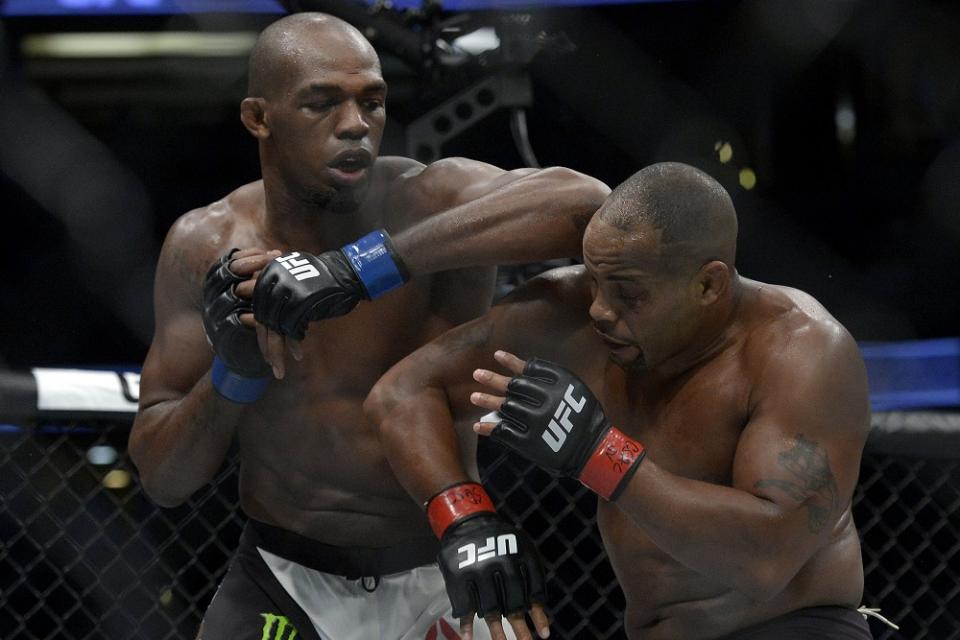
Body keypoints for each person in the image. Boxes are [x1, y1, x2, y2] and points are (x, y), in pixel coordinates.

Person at [127, 11, 609, 640]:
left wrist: (362, 268)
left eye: (372, 101)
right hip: (285, 577)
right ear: (258, 118)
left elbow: (589, 205)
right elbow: (164, 479)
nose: (355, 125)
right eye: (321, 103)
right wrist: (232, 375)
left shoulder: (428, 199)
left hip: (447, 555)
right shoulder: (209, 243)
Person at [367, 162, 875, 639]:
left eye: (629, 294)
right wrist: (465, 521)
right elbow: (402, 391)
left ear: (708, 284)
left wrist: (598, 452)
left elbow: (765, 561)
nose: (600, 311)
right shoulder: (570, 317)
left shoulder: (799, 352)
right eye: (593, 280)